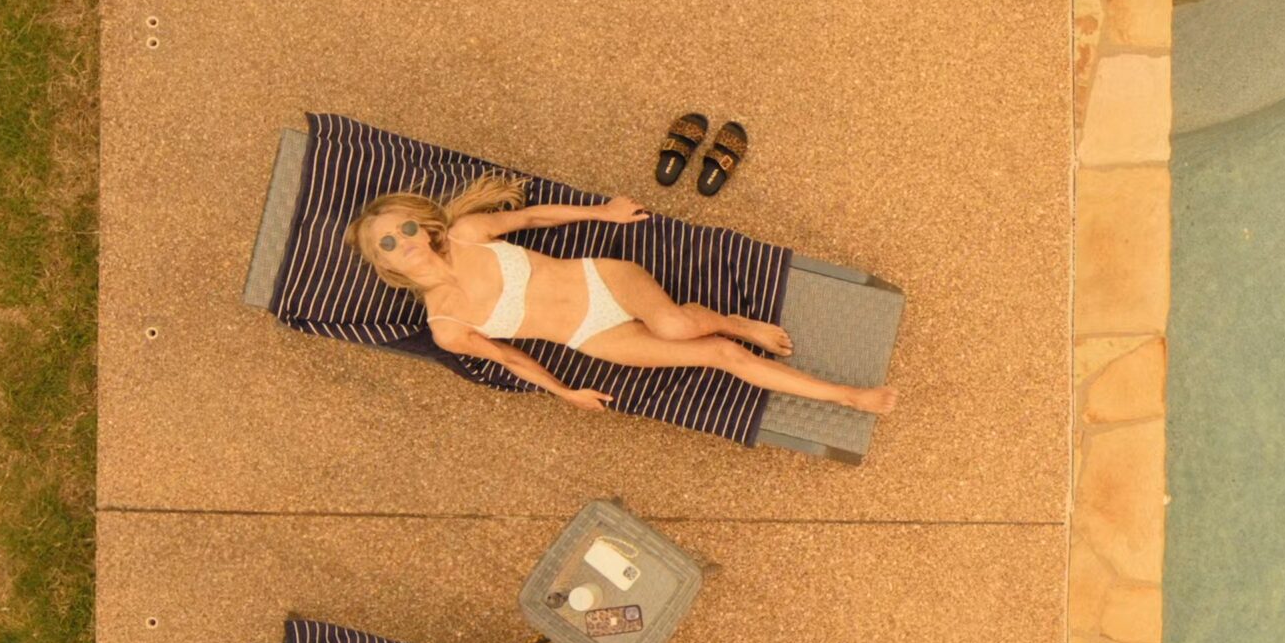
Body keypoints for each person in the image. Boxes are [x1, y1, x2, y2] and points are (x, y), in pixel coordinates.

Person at [346, 174, 898, 415]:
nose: (404, 241)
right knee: (718, 356)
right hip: (591, 336)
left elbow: (533, 217)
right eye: (388, 243)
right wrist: (564, 392)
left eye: (405, 228)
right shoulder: (445, 326)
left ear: (422, 225)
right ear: (384, 262)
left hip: (599, 279)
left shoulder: (467, 233)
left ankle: (733, 320)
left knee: (677, 326)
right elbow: (509, 358)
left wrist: (602, 212)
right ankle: (844, 395)